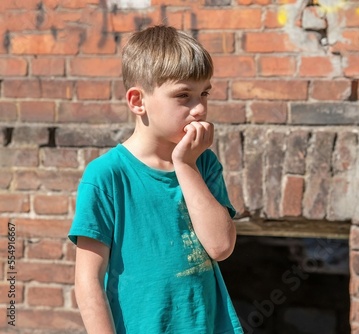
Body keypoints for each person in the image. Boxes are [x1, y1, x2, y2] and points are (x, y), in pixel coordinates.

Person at [68, 25, 242, 334]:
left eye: (204, 93)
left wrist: (186, 165)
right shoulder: (107, 176)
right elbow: (88, 281)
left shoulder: (203, 164)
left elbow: (220, 247)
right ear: (138, 101)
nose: (199, 108)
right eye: (183, 96)